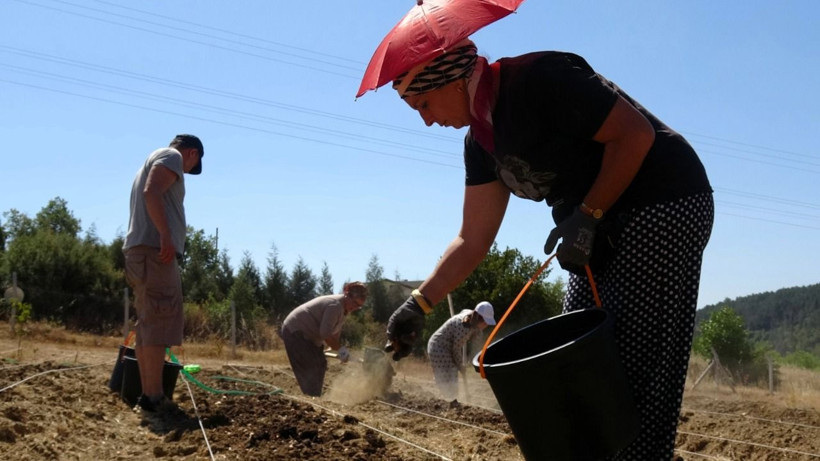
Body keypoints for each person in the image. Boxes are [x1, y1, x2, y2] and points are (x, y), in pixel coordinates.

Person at [383, 38, 714, 460]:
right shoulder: (480, 144)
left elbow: (635, 134)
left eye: (424, 104)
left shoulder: (537, 79)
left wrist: (588, 215)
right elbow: (472, 238)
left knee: (629, 371)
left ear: (451, 78)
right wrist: (419, 303)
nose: (427, 121)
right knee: (576, 366)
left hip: (661, 205)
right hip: (597, 227)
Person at [123, 134, 204, 412]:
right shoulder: (172, 157)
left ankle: (149, 395)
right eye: (192, 167)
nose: (186, 171)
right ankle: (154, 398)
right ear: (192, 153)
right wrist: (166, 236)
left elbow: (151, 192)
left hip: (143, 252)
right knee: (159, 319)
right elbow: (152, 192)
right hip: (155, 252)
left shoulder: (153, 159)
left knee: (149, 322)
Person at [280, 282, 368, 397]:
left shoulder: (343, 310)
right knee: (311, 365)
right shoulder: (335, 306)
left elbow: (333, 334)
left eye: (359, 306)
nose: (355, 308)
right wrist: (342, 351)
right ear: (347, 294)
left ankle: (313, 396)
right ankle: (311, 398)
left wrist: (337, 350)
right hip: (296, 332)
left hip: (309, 337)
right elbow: (325, 334)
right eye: (355, 303)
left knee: (320, 363)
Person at [427, 301, 495, 401]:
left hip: (446, 345)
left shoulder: (470, 315)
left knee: (451, 372)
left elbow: (465, 313)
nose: (487, 325)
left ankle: (450, 398)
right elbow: (456, 350)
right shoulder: (463, 328)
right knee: (450, 372)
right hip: (439, 347)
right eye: (486, 322)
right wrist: (460, 366)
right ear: (480, 319)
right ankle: (450, 400)